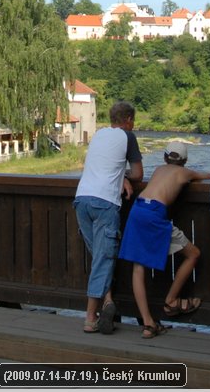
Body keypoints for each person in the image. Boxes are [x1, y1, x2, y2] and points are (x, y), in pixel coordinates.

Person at [117, 140, 210, 338]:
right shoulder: (184, 173)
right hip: (154, 214)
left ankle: (148, 323)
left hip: (138, 208)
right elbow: (206, 175)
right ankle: (170, 300)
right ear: (184, 160)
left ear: (164, 157)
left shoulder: (159, 168)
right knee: (193, 254)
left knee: (138, 267)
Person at [73, 100, 144, 334]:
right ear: (129, 120)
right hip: (105, 202)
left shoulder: (99, 135)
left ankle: (108, 302)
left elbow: (103, 166)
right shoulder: (128, 137)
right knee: (104, 259)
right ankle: (90, 317)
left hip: (82, 199)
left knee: (99, 258)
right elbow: (138, 174)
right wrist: (125, 176)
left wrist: (119, 175)